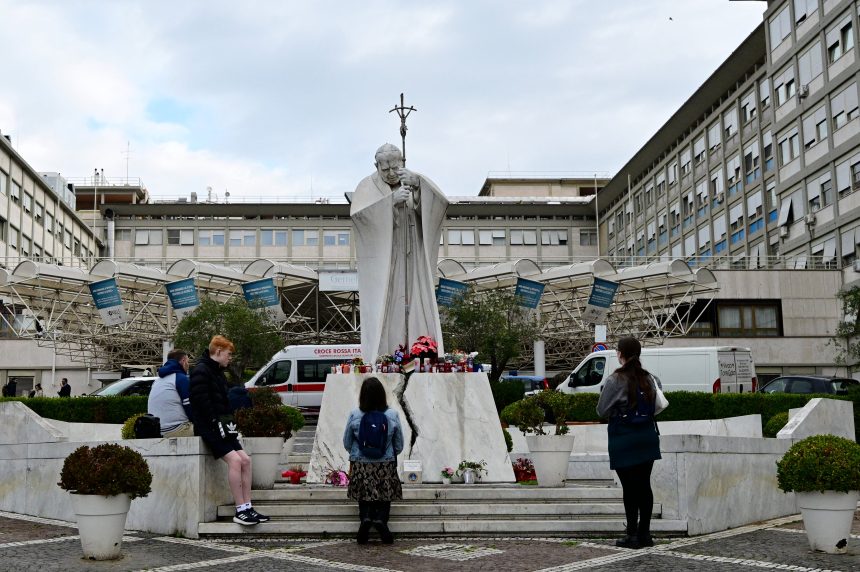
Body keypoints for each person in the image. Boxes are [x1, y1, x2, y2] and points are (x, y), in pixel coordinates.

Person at [350, 144, 448, 362]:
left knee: (417, 297)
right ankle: (386, 353)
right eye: (385, 170)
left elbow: (440, 205)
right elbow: (359, 217)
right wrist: (390, 203)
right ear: (376, 166)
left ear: (402, 162)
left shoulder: (412, 179)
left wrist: (419, 186)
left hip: (413, 255)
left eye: (395, 167)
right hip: (387, 259)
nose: (392, 173)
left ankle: (420, 347)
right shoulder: (366, 186)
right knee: (389, 300)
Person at [190, 335, 268, 526]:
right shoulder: (201, 370)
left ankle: (248, 507)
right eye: (228, 354)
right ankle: (240, 509)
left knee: (246, 460)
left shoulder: (216, 371)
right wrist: (215, 422)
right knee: (235, 460)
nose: (230, 358)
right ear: (218, 352)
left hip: (223, 425)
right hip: (210, 427)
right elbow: (200, 402)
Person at [596, 337, 662, 549]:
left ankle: (632, 534)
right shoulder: (651, 379)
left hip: (624, 437)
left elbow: (601, 410)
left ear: (620, 354)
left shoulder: (615, 380)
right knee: (644, 485)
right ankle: (645, 534)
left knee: (629, 488)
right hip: (647, 436)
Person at [342, 376, 404, 544]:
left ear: (363, 395)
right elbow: (399, 444)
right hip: (385, 462)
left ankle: (366, 519)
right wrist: (390, 454)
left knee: (364, 493)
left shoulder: (355, 414)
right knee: (385, 494)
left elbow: (347, 442)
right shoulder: (392, 414)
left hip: (362, 462)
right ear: (382, 394)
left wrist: (357, 454)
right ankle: (381, 520)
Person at [148, 349, 195, 437]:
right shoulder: (181, 379)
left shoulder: (157, 381)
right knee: (213, 431)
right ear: (183, 361)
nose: (188, 365)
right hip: (177, 429)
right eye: (188, 362)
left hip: (156, 430)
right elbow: (189, 406)